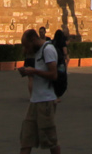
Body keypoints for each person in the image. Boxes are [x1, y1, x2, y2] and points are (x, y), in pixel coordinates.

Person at [17, 26, 62, 154]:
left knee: (50, 139)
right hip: (35, 100)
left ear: (33, 40)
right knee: (26, 138)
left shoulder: (48, 50)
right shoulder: (38, 50)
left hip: (46, 101)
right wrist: (28, 72)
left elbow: (53, 74)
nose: (26, 50)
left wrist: (34, 71)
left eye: (26, 46)